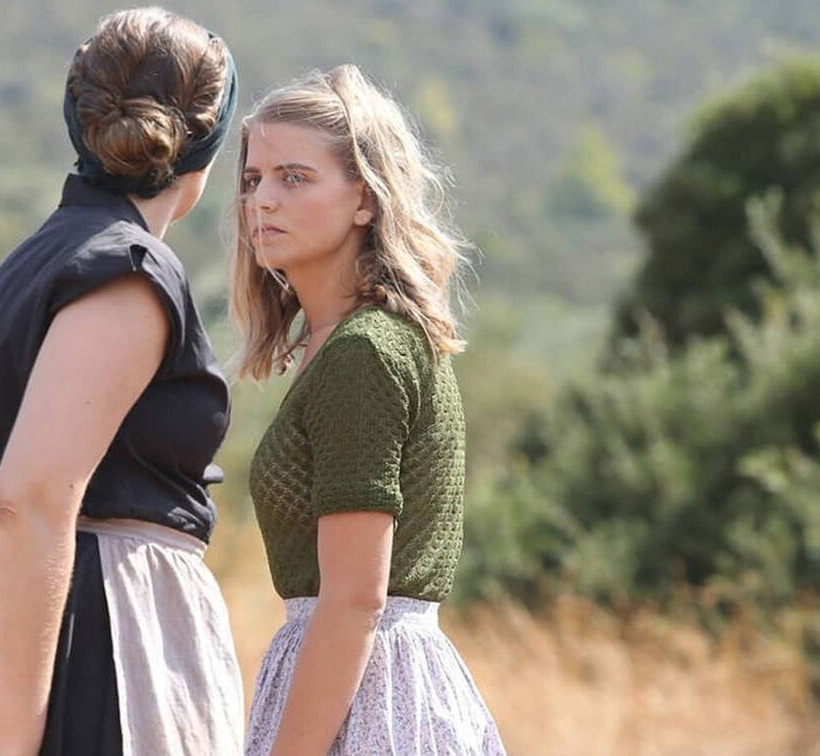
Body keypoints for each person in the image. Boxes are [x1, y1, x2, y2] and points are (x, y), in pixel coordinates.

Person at [231, 64, 506, 755]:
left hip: (371, 700)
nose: (263, 200)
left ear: (365, 199)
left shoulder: (365, 351)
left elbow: (355, 599)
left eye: (294, 178)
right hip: (363, 682)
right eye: (252, 179)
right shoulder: (342, 343)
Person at [0, 8, 244, 755]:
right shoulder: (127, 272)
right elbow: (31, 499)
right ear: (205, 142)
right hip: (101, 644)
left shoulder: (36, 260)